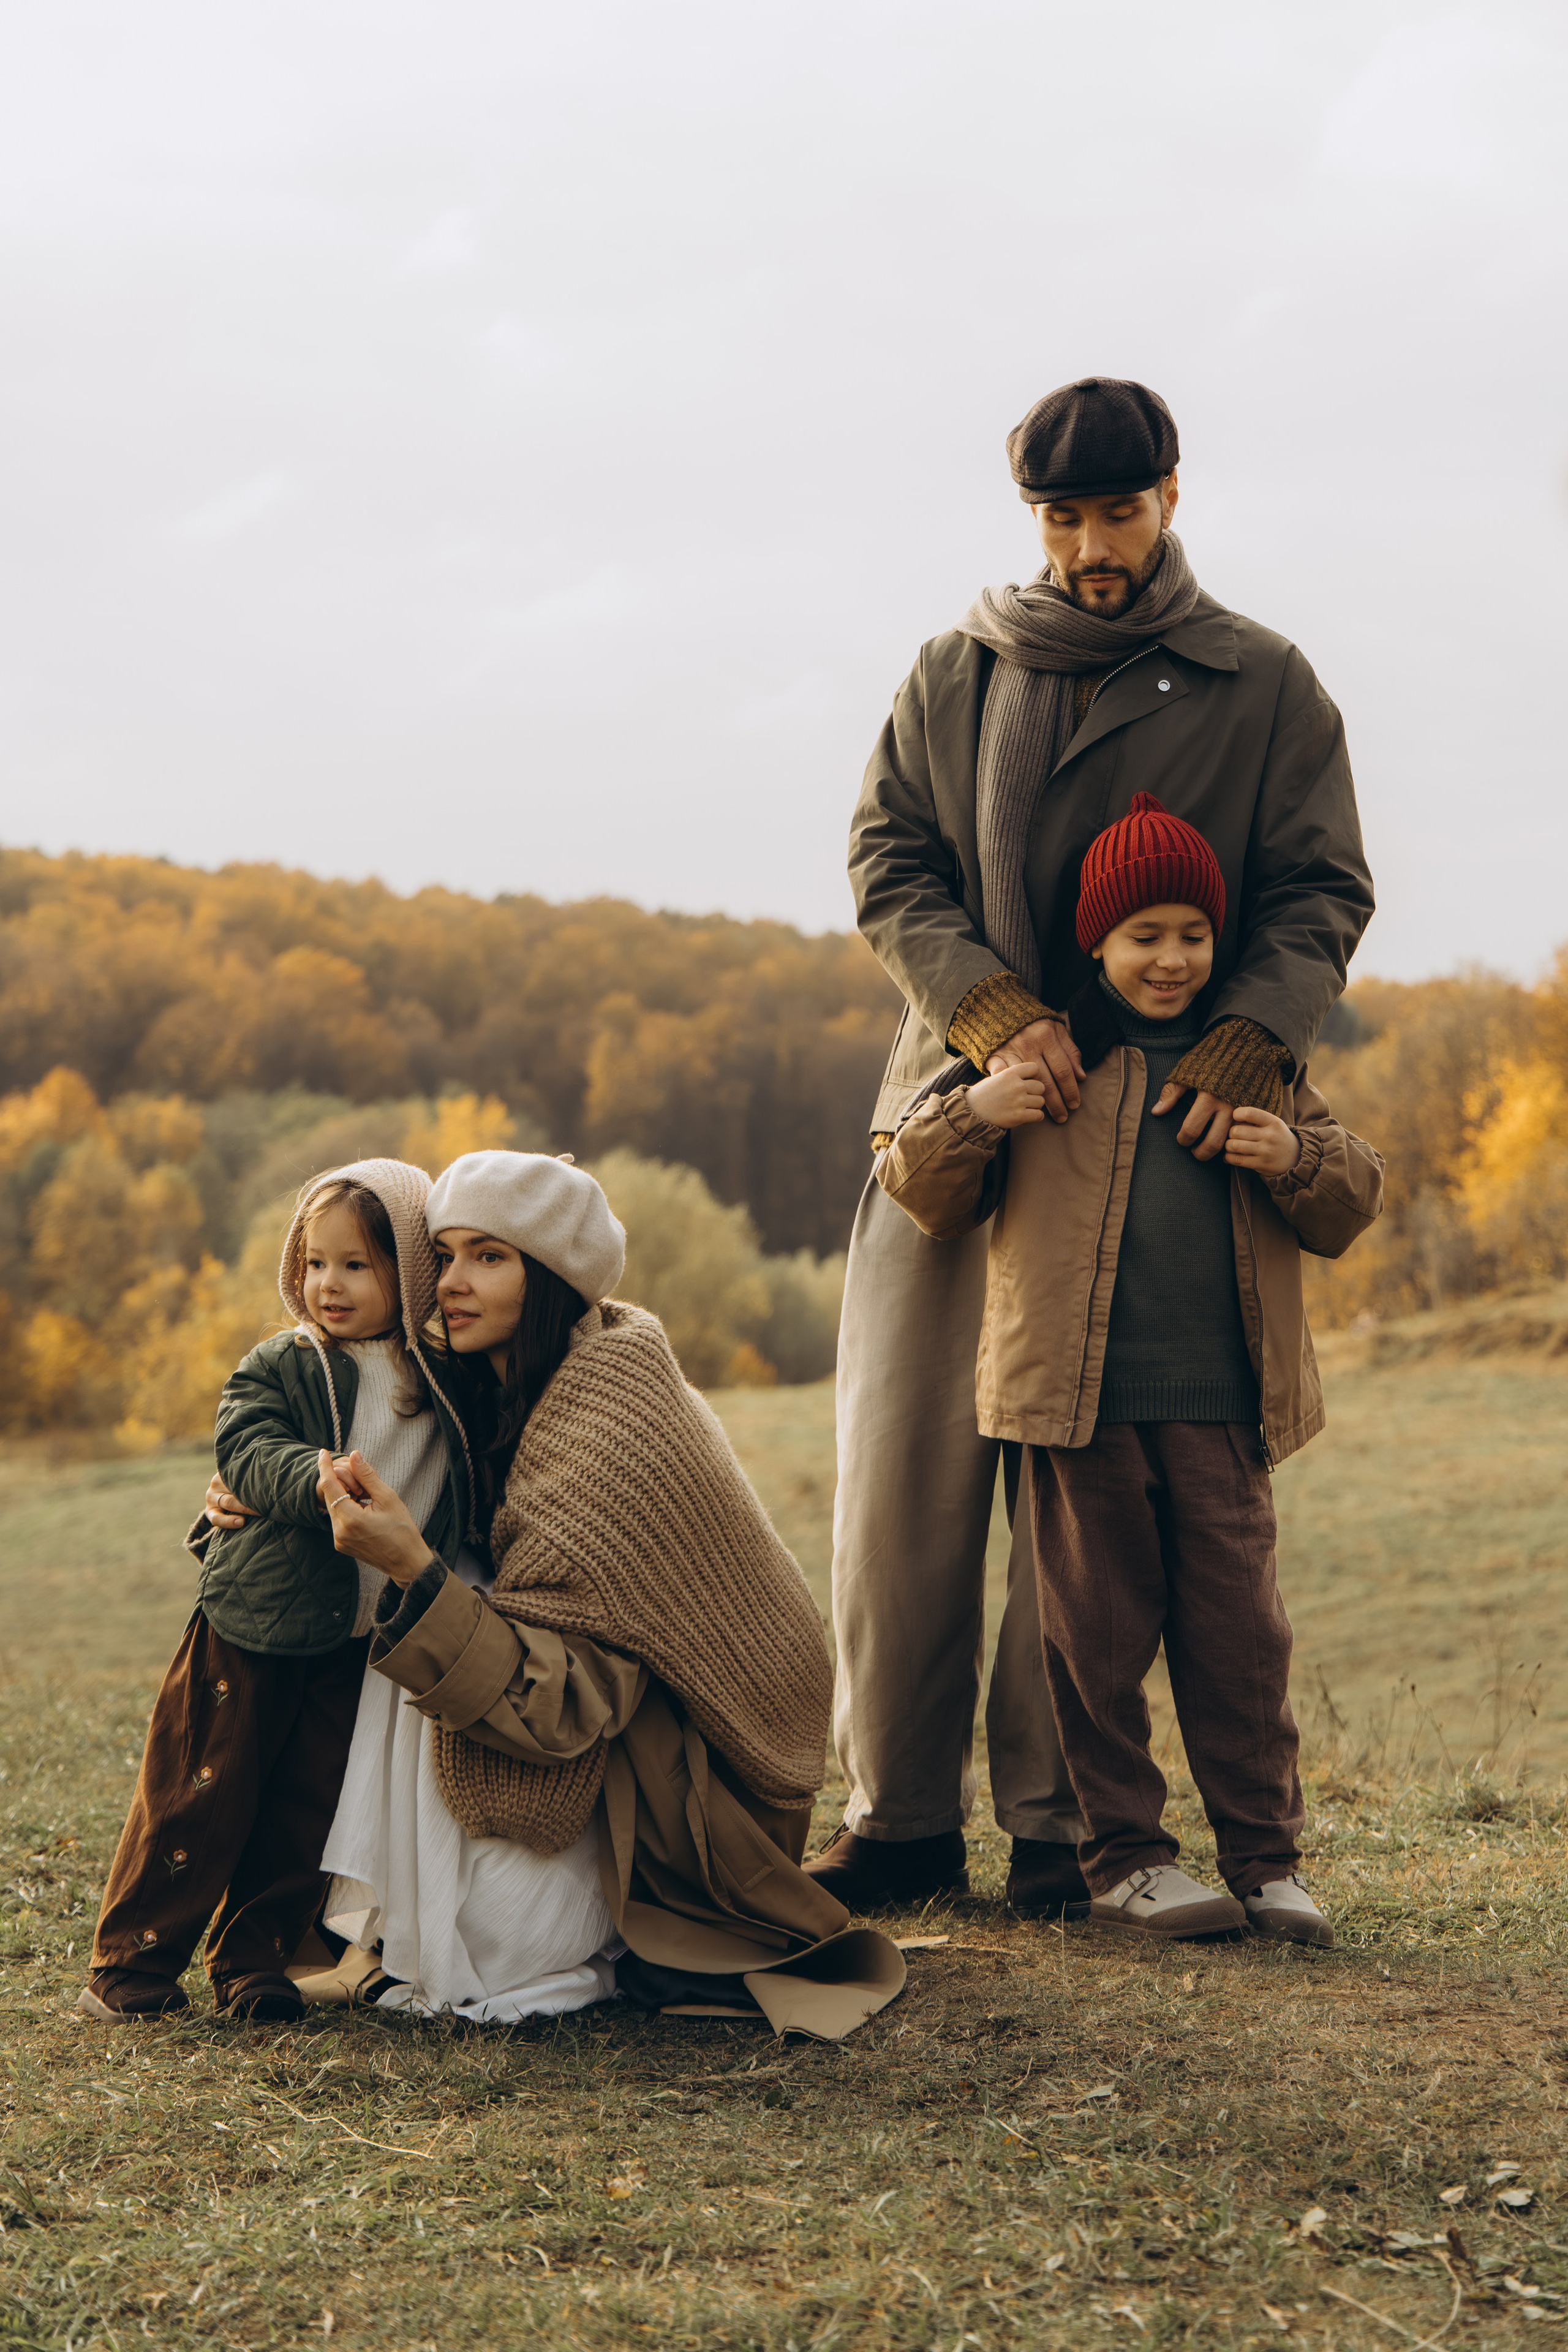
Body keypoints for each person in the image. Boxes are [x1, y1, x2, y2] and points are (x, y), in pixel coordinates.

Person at [817, 374, 1375, 1917]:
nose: (1086, 545)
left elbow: (1319, 889)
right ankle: (901, 1817)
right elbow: (888, 860)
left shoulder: (1260, 683)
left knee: (1087, 1502)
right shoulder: (958, 670)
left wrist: (1244, 1041)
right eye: (1058, 517)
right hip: (963, 1112)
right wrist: (989, 1013)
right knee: (907, 1483)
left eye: (1113, 511)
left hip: (1153, 1139)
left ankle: (1064, 1832)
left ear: (1171, 497)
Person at [875, 796, 1384, 1943]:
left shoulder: (1250, 1062)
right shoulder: (1048, 1060)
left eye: (1193, 935)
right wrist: (981, 1113)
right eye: (1144, 936)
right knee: (1095, 1641)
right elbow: (919, 1188)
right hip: (1079, 1412)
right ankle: (1127, 1858)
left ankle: (1267, 1863)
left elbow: (1354, 1197)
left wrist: (1293, 1153)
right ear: (1096, 943)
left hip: (1220, 1408)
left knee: (1242, 1644)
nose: (1172, 959)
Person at [299, 1150, 905, 2038]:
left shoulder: (608, 1423)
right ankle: (393, 1932)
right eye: (449, 1254)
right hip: (620, 1756)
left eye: (490, 1257)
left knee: (437, 1588)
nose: (454, 1284)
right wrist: (248, 1491)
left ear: (550, 1277)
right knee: (429, 1588)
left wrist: (412, 1571)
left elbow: (563, 1710)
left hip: (692, 1820)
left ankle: (535, 1944)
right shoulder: (514, 1383)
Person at [80, 1159, 473, 2022]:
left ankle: (254, 1964)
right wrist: (317, 1477)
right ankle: (135, 1963)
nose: (326, 1284)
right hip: (253, 1625)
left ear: (406, 1272)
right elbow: (246, 1448)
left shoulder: (438, 1382)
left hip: (357, 1642)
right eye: (315, 1260)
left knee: (307, 1809)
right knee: (201, 1791)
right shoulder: (287, 1363)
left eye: (356, 1265)